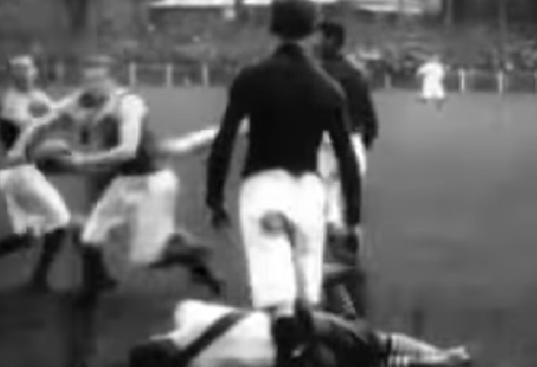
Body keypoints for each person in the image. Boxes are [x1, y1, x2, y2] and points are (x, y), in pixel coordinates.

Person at [205, 0, 362, 318]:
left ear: (273, 28)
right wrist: (352, 220)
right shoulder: (328, 88)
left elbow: (224, 141)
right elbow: (347, 158)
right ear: (312, 31)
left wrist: (215, 198)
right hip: (308, 193)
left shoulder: (250, 78)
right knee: (308, 301)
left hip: (263, 191)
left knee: (279, 305)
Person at [58, 55, 223, 297]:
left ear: (110, 80)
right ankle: (94, 286)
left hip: (150, 183)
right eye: (88, 81)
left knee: (147, 258)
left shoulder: (126, 106)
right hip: (124, 180)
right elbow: (55, 114)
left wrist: (80, 162)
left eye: (98, 79)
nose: (92, 86)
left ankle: (191, 253)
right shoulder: (87, 104)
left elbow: (124, 152)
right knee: (89, 234)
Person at [127, 298, 472, 367]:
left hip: (298, 358)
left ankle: (438, 363)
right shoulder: (187, 313)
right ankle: (439, 353)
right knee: (379, 342)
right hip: (295, 321)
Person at [314, 20, 379, 318]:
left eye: (319, 36)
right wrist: (359, 147)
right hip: (352, 147)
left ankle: (336, 292)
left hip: (325, 147)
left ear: (331, 39)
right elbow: (371, 121)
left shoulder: (317, 73)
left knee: (323, 217)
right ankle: (349, 287)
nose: (315, 41)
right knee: (346, 216)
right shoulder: (356, 74)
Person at [0, 55, 73, 291]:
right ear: (12, 75)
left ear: (35, 71)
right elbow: (28, 131)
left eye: (27, 68)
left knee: (28, 235)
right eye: (17, 69)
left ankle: (38, 280)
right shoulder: (11, 101)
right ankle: (39, 280)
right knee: (61, 222)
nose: (23, 73)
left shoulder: (37, 97)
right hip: (20, 172)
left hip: (22, 171)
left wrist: (60, 115)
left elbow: (58, 118)